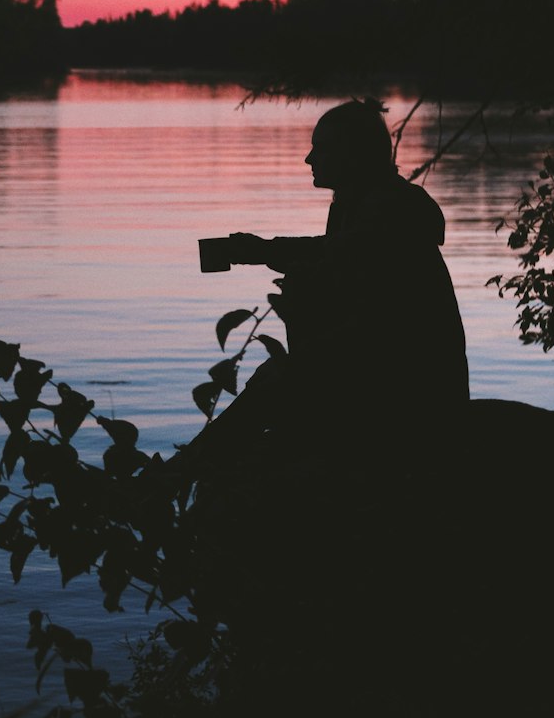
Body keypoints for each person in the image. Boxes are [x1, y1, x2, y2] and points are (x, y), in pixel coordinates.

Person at [190, 98, 468, 467]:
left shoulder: (392, 208)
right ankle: (193, 464)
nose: (309, 159)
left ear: (353, 154)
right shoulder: (354, 206)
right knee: (276, 378)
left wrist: (258, 250)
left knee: (279, 379)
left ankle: (185, 469)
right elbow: (349, 292)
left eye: (321, 148)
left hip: (416, 393)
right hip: (383, 374)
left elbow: (344, 253)